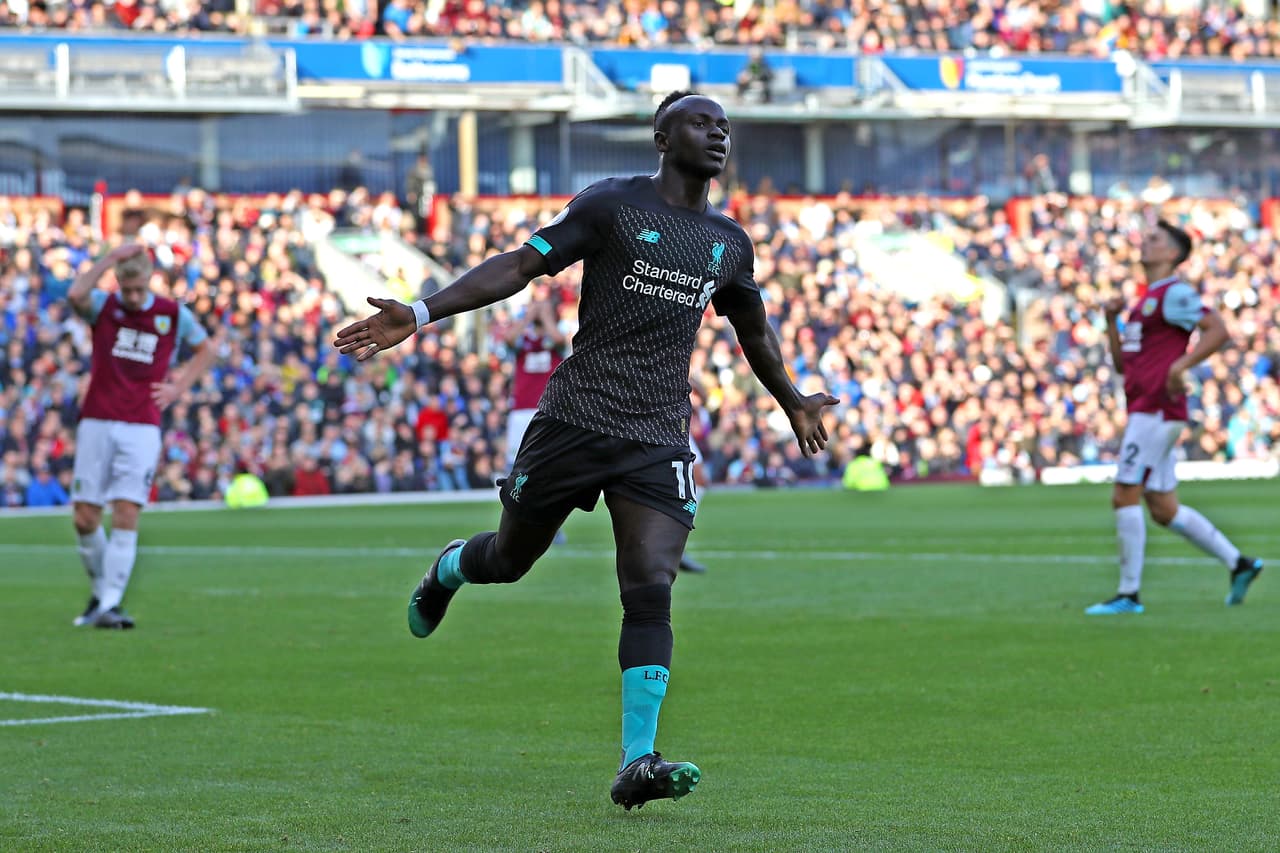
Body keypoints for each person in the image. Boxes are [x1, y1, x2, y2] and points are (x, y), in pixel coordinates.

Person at [335, 90, 838, 810]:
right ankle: (449, 567)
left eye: (725, 125)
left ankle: (639, 760)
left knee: (649, 581)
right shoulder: (611, 205)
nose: (718, 133)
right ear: (663, 136)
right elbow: (518, 266)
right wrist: (419, 312)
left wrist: (793, 400)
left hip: (659, 432)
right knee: (509, 561)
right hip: (575, 419)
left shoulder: (730, 241)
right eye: (701, 122)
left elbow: (752, 329)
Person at [1086, 221, 1262, 615]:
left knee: (1124, 493)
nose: (1145, 244)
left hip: (1157, 409)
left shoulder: (1173, 293)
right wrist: (1110, 322)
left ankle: (1129, 595)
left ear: (1172, 254)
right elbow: (1122, 364)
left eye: (1155, 240)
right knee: (1164, 508)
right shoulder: (1143, 300)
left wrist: (1181, 367)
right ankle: (1240, 564)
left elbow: (1218, 330)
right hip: (1146, 405)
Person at [67, 243, 214, 629]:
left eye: (139, 288)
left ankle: (111, 603)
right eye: (126, 289)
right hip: (97, 418)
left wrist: (178, 388)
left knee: (126, 509)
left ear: (151, 279)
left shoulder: (171, 314)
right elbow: (75, 294)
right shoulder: (104, 305)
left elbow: (206, 350)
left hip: (142, 424)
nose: (132, 297)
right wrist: (110, 258)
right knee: (84, 518)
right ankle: (102, 595)